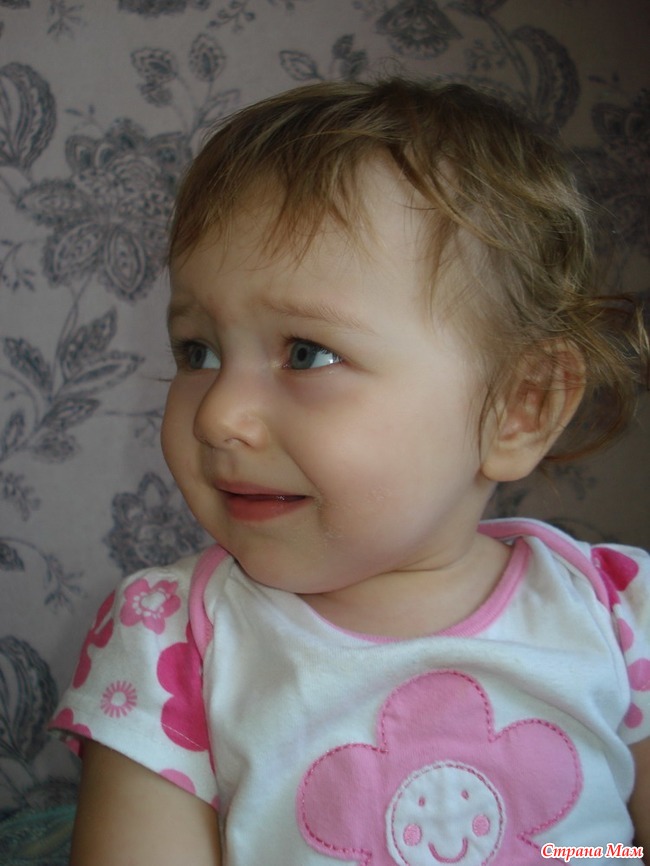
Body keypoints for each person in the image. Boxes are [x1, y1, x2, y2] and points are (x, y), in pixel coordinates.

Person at [51, 78, 650, 865]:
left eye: (307, 353)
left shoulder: (618, 615)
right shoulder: (173, 639)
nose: (218, 415)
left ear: (520, 407)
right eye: (198, 351)